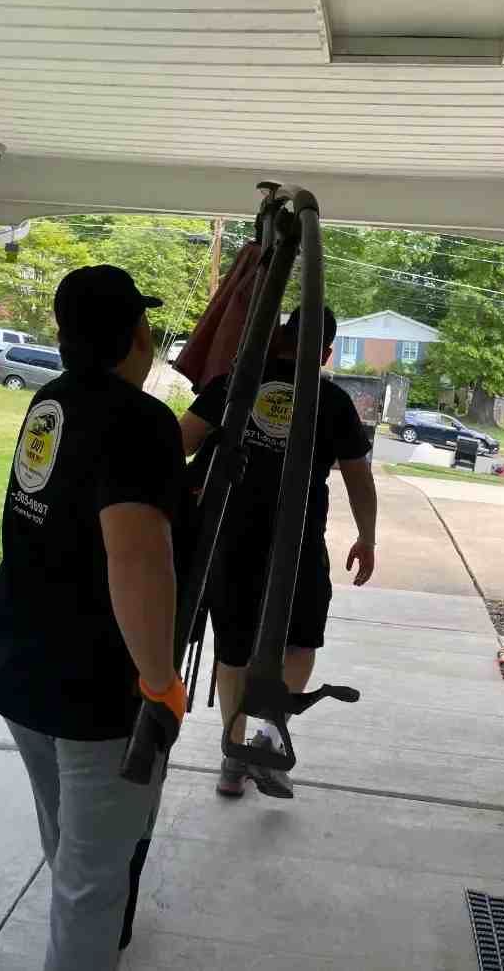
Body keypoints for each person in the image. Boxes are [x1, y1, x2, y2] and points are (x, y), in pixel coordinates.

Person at [0, 265, 187, 971]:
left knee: (71, 848)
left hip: (21, 667)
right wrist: (160, 681)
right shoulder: (141, 421)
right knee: (92, 883)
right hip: (97, 692)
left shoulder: (51, 400)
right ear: (139, 333)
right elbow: (135, 556)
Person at [179, 306, 377, 800]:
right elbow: (359, 477)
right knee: (300, 644)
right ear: (326, 352)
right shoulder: (331, 400)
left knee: (234, 649)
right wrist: (367, 536)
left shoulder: (234, 385)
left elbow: (178, 442)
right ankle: (268, 738)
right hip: (299, 545)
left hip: (233, 538)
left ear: (279, 339)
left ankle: (235, 751)